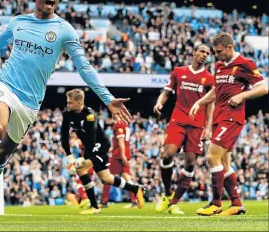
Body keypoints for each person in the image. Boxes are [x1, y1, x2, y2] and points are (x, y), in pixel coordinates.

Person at [0, 0, 132, 221]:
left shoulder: (65, 30)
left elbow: (84, 67)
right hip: (5, 85)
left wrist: (107, 98)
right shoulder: (18, 22)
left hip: (30, 102)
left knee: (3, 154)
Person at [190, 33, 268, 216]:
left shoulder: (245, 64)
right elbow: (217, 91)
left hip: (232, 118)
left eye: (218, 52)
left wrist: (242, 95)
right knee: (224, 163)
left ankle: (215, 203)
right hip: (219, 116)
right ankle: (236, 204)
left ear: (229, 47)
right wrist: (199, 102)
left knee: (211, 157)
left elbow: (264, 87)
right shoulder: (218, 66)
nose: (216, 56)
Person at [153, 44, 215, 215]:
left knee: (190, 163)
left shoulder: (209, 78)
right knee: (167, 155)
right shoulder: (178, 71)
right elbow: (166, 92)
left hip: (197, 125)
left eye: (208, 53)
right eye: (202, 51)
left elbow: (211, 104)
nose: (204, 55)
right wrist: (159, 103)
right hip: (178, 120)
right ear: (194, 52)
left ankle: (173, 203)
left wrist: (209, 127)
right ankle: (166, 194)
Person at [61, 89, 144, 214]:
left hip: (100, 145)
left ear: (79, 103)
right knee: (106, 179)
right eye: (67, 102)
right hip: (90, 146)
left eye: (70, 103)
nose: (68, 105)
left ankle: (94, 207)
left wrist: (83, 159)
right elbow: (64, 136)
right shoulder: (67, 113)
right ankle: (135, 188)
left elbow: (92, 139)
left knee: (81, 169)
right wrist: (69, 157)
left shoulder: (90, 115)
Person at [101, 120, 137, 208]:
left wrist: (122, 155)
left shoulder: (119, 125)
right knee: (126, 176)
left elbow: (121, 141)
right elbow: (119, 143)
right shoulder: (126, 125)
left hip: (118, 155)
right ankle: (135, 199)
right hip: (124, 153)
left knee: (106, 177)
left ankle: (104, 201)